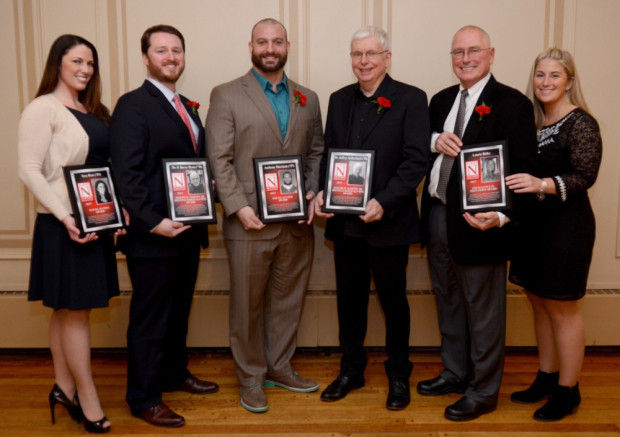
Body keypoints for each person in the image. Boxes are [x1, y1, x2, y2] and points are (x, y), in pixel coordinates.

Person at [417, 25, 537, 421]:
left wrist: (501, 216)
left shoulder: (513, 104)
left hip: (480, 223)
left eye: (473, 51)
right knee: (448, 301)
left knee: (483, 312)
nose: (465, 59)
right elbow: (422, 145)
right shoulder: (440, 100)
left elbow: (523, 169)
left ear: (491, 54)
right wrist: (435, 139)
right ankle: (455, 372)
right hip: (437, 213)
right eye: (457, 52)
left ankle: (483, 390)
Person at [206, 18, 324, 413]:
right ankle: (251, 378)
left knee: (288, 299)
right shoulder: (226, 95)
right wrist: (239, 207)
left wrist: (309, 191)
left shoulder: (307, 97)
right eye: (262, 42)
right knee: (247, 305)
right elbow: (218, 159)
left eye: (277, 41)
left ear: (287, 46)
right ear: (251, 46)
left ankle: (280, 366)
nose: (270, 48)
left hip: (296, 222)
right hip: (249, 221)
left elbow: (316, 153)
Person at [313, 26, 430, 410]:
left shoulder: (411, 99)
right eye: (357, 54)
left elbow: (416, 160)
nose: (363, 61)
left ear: (387, 57)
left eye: (371, 54)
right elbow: (330, 154)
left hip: (388, 222)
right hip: (346, 225)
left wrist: (383, 201)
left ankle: (399, 374)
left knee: (394, 302)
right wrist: (324, 194)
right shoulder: (339, 99)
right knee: (349, 301)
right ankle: (352, 370)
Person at [110, 24, 217, 428]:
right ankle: (143, 397)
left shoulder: (184, 106)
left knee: (177, 312)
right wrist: (154, 222)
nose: (170, 57)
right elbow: (127, 174)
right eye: (161, 51)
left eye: (176, 50)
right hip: (153, 236)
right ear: (145, 57)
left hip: (185, 232)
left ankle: (173, 372)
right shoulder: (133, 105)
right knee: (150, 317)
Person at [17, 34, 123, 433]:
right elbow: (28, 170)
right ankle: (87, 396)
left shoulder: (94, 110)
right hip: (65, 226)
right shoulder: (42, 108)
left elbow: (103, 169)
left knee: (67, 311)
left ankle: (63, 387)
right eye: (77, 61)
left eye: (90, 63)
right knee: (74, 313)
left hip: (95, 223)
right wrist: (66, 217)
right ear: (57, 64)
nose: (85, 69)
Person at [505, 48, 602, 421]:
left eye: (554, 76)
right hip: (532, 228)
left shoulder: (581, 123)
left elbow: (585, 175)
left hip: (567, 228)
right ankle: (546, 377)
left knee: (562, 308)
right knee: (539, 303)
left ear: (570, 82)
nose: (545, 83)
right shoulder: (533, 120)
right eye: (540, 75)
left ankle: (568, 390)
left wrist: (541, 183)